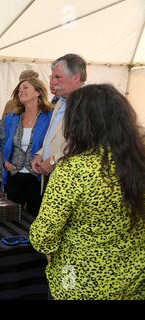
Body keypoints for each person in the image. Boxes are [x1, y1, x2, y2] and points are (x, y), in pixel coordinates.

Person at [29, 84, 145, 299]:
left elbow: (42, 236)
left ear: (79, 123)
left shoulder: (73, 169)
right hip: (133, 282)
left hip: (74, 281)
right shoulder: (138, 163)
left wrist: (57, 251)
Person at [31, 54, 86, 192]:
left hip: (71, 182)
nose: (52, 81)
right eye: (52, 76)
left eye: (58, 77)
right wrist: (40, 154)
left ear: (76, 77)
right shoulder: (59, 102)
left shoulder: (87, 105)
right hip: (50, 176)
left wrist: (52, 161)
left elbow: (82, 147)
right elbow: (53, 135)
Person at [3, 77, 52, 216]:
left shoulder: (49, 117)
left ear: (38, 92)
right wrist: (5, 162)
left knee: (34, 218)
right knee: (11, 218)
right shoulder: (11, 118)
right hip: (14, 175)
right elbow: (4, 143)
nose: (21, 91)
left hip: (38, 178)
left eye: (25, 87)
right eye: (19, 89)